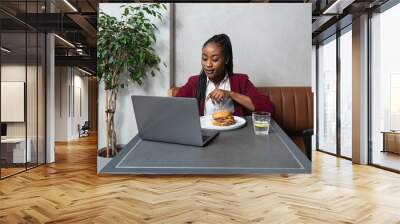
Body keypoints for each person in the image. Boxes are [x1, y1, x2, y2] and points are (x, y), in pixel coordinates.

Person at [175, 33, 273, 116]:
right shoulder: (194, 82)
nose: (208, 64)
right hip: (205, 136)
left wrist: (230, 94)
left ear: (226, 59)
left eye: (215, 59)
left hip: (234, 135)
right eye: (204, 59)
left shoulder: (240, 81)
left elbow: (268, 108)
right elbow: (173, 105)